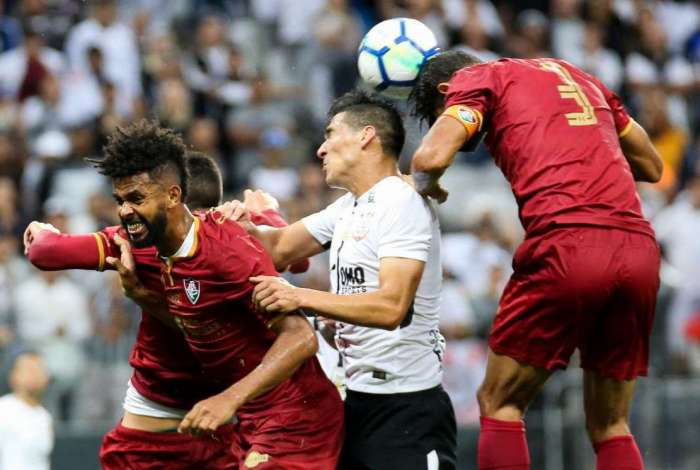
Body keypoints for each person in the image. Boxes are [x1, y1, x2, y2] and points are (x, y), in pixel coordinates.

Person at [32, 120, 342, 469]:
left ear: (175, 197)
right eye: (120, 200)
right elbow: (47, 252)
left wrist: (264, 216)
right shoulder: (138, 246)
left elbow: (301, 334)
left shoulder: (228, 248)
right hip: (222, 417)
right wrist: (38, 232)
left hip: (290, 414)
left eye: (136, 198)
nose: (124, 211)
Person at [408, 50, 663, 470]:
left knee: (500, 402)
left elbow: (428, 159)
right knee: (612, 424)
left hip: (568, 244)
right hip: (638, 249)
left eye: (440, 111)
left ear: (446, 91)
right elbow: (651, 165)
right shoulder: (580, 77)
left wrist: (428, 185)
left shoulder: (477, 78)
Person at [231, 90, 457, 470]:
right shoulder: (349, 206)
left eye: (331, 134)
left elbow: (391, 307)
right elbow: (281, 247)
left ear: (366, 135)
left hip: (407, 409)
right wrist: (236, 225)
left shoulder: (402, 202)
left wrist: (298, 296)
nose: (321, 149)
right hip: (357, 403)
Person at [0, 351, 53, 470]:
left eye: (39, 369)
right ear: (13, 377)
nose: (34, 374)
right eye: (28, 370)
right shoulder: (3, 410)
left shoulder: (44, 416)